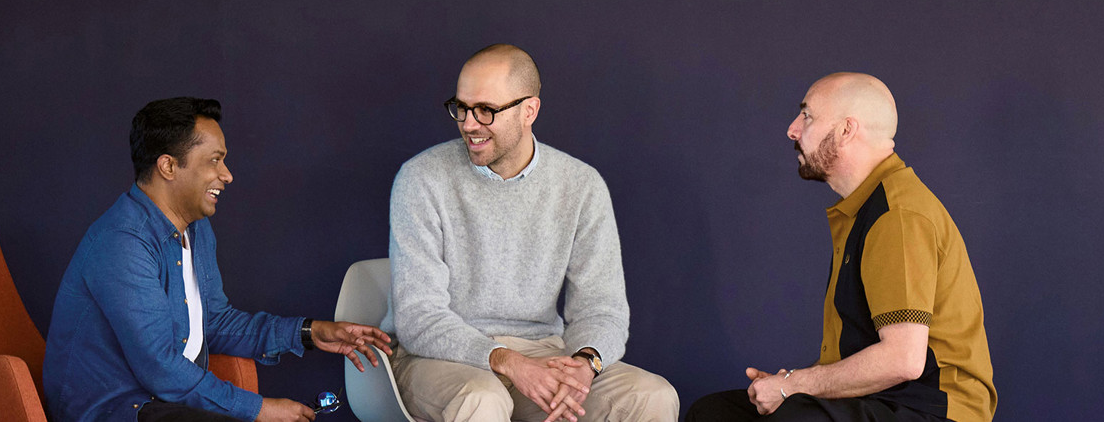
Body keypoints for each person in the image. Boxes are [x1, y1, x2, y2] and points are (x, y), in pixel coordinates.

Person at [44, 97, 392, 422]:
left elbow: (216, 323)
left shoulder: (196, 229)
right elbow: (160, 368)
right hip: (118, 409)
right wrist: (258, 409)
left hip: (168, 402)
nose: (227, 175)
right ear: (168, 166)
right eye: (214, 160)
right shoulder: (123, 242)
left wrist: (309, 332)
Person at [387, 44, 679, 422]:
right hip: (438, 359)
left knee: (652, 396)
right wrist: (506, 361)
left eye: (486, 110)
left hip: (542, 354)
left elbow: (601, 307)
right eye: (461, 107)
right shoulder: (421, 178)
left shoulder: (581, 185)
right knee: (483, 399)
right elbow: (418, 317)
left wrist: (585, 363)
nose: (468, 124)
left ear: (529, 111)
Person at [687, 73, 997, 422]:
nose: (792, 129)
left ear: (847, 130)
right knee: (715, 413)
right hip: (882, 399)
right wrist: (786, 386)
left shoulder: (897, 215)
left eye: (807, 116)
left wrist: (792, 385)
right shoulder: (864, 207)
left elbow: (903, 360)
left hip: (932, 409)